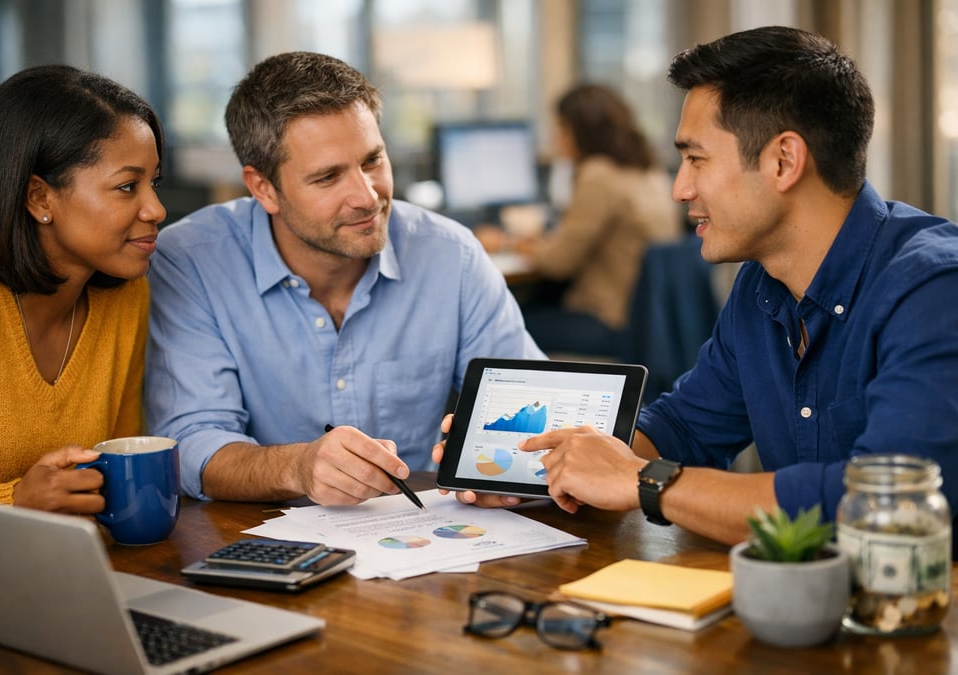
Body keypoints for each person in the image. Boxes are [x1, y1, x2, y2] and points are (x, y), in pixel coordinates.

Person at [434, 25, 958, 550]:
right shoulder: (762, 285)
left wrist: (643, 481)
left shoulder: (933, 289)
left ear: (784, 161)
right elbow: (684, 429)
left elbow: (886, 506)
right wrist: (543, 466)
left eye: (696, 159)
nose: (679, 189)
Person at [145, 51, 543, 506]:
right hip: (261, 536)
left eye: (372, 161)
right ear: (263, 188)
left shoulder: (451, 255)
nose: (367, 197)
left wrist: (508, 474)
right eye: (328, 177)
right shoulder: (191, 262)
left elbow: (530, 407)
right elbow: (193, 441)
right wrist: (297, 467)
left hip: (424, 530)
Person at [0, 65, 166, 513]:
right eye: (127, 186)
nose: (156, 209)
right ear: (40, 197)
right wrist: (13, 502)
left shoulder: (126, 297)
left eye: (154, 183)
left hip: (71, 554)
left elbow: (121, 471)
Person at [477, 84, 683, 357]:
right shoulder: (648, 170)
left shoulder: (599, 175)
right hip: (647, 322)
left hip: (609, 320)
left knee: (496, 324)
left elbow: (558, 262)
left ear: (579, 131)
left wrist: (506, 242)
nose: (556, 138)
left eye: (560, 128)